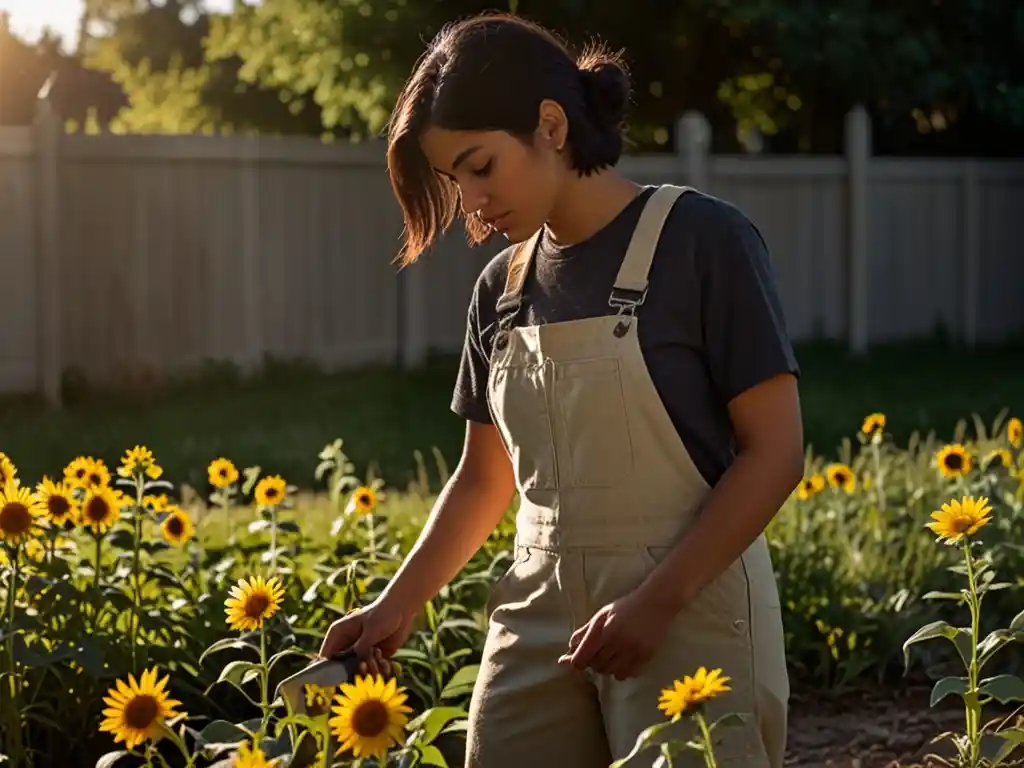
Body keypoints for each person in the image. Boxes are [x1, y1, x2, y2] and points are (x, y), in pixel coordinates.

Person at [319, 11, 805, 768]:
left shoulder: (705, 241)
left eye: (480, 167)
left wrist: (658, 603)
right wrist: (395, 605)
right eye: (455, 180)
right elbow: (485, 477)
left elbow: (776, 452)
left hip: (691, 608)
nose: (471, 203)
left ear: (550, 124)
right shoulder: (499, 291)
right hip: (535, 615)